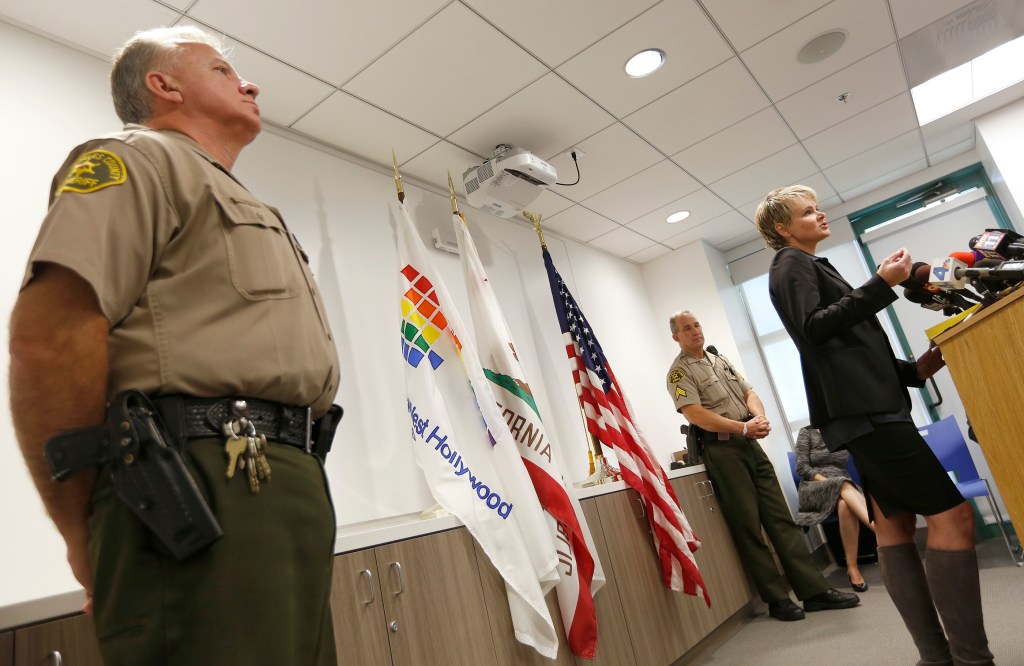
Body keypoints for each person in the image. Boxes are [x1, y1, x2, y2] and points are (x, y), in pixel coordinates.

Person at [9, 26, 340, 665]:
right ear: (163, 85)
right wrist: (83, 532)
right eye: (220, 69)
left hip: (286, 480)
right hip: (202, 486)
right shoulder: (133, 161)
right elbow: (48, 341)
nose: (249, 82)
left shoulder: (240, 197)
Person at [756, 185, 992, 665]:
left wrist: (912, 371)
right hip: (866, 416)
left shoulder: (812, 264)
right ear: (783, 228)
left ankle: (937, 657)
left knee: (895, 526)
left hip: (865, 410)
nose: (820, 215)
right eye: (807, 211)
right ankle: (971, 660)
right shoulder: (790, 262)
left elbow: (849, 344)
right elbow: (815, 329)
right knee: (955, 517)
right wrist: (882, 283)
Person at [666, 310, 859, 622]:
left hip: (749, 443)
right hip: (723, 449)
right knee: (749, 526)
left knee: (781, 519)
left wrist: (756, 419)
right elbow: (694, 414)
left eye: (697, 324)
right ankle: (777, 599)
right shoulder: (678, 372)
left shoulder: (719, 359)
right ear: (676, 337)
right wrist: (741, 428)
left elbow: (749, 392)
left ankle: (814, 592)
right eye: (687, 328)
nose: (695, 331)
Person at [793, 426, 874, 592]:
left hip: (844, 485)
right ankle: (879, 529)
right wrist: (829, 482)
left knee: (845, 506)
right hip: (814, 486)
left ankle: (852, 568)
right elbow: (801, 467)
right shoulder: (806, 432)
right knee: (841, 483)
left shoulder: (841, 431)